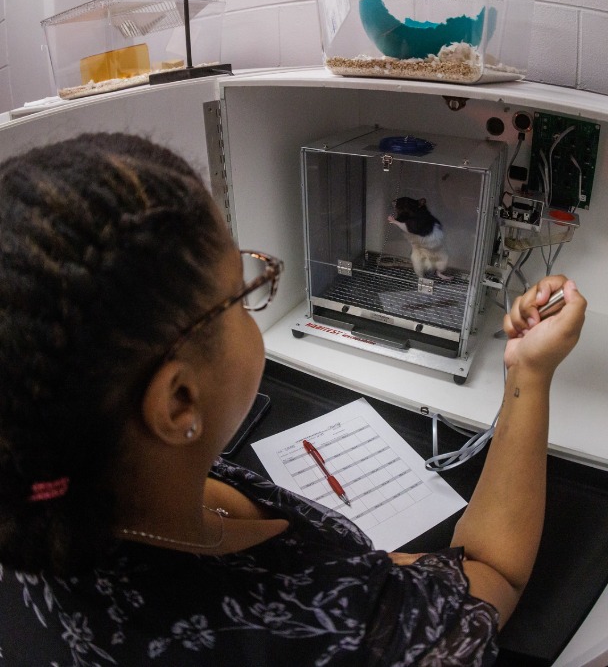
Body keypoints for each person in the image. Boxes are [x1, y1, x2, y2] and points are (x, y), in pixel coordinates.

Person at [0, 133, 586, 666]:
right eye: (241, 290)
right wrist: (528, 375)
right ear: (179, 402)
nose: (259, 287)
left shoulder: (50, 495)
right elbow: (491, 577)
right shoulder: (341, 631)